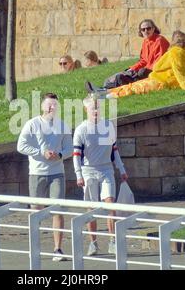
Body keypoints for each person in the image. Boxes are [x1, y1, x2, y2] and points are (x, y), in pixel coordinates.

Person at [17, 92, 73, 262]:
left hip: (57, 173)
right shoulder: (32, 124)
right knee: (36, 211)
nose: (51, 107)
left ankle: (58, 249)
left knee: (58, 210)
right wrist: (40, 153)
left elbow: (70, 148)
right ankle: (34, 248)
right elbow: (21, 145)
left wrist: (60, 154)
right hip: (37, 172)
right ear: (42, 106)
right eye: (48, 104)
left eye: (54, 105)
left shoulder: (63, 126)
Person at [73, 96, 129, 256]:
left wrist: (122, 169)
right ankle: (93, 243)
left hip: (106, 170)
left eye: (98, 107)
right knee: (91, 208)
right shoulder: (81, 129)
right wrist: (78, 175)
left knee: (110, 205)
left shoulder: (108, 126)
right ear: (86, 110)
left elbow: (114, 150)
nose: (96, 111)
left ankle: (112, 242)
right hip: (88, 171)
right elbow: (76, 155)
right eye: (93, 108)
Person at [86, 30, 185, 99]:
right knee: (132, 86)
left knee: (133, 88)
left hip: (163, 82)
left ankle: (104, 96)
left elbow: (179, 70)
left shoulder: (176, 52)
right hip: (159, 79)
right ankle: (102, 91)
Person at [103, 19, 169, 89]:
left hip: (154, 71)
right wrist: (132, 68)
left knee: (138, 73)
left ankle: (113, 86)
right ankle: (107, 86)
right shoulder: (145, 42)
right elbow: (143, 61)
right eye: (143, 29)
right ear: (141, 32)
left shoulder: (160, 40)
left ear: (153, 29)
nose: (146, 31)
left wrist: (144, 69)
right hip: (145, 70)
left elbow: (159, 61)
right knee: (119, 75)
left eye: (148, 28)